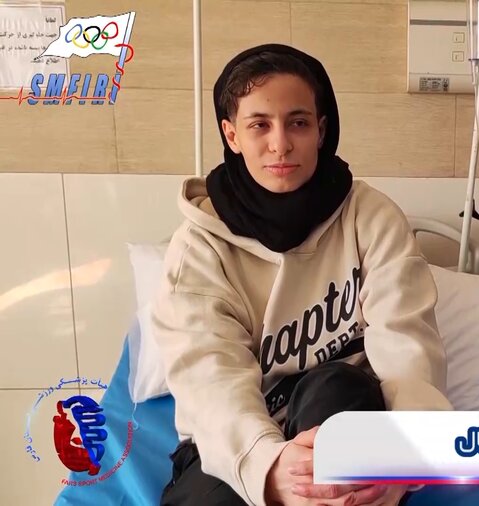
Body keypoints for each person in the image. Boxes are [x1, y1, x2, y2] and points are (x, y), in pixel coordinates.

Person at [150, 43, 453, 506]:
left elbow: (407, 346)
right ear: (231, 134)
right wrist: (271, 471)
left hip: (348, 422)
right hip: (240, 446)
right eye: (259, 125)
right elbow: (211, 382)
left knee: (339, 386)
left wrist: (403, 457)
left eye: (298, 123)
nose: (281, 144)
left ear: (321, 130)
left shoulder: (370, 218)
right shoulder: (199, 246)